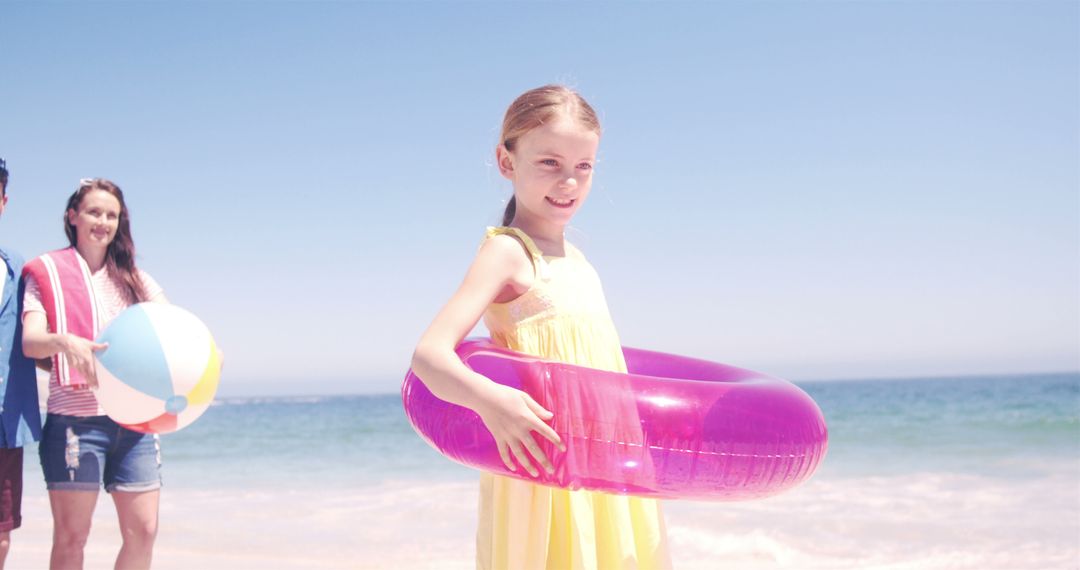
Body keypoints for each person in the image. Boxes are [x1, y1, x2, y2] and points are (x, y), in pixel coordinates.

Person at [411, 85, 671, 569]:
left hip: (603, 467)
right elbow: (429, 356)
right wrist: (494, 402)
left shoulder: (578, 261)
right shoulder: (508, 252)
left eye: (583, 166)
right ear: (506, 162)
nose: (568, 181)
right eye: (550, 163)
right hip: (546, 471)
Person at [22, 178, 166, 570]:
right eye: (94, 212)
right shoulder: (46, 275)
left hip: (135, 422)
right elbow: (31, 342)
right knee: (72, 538)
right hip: (75, 423)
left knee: (144, 531)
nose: (103, 221)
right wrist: (65, 342)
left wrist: (207, 352)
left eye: (112, 215)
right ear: (73, 216)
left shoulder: (135, 279)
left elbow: (173, 326)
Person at [0, 158, 43, 569]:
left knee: (0, 537)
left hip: (5, 425)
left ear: (4, 201)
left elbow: (27, 342)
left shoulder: (17, 265)